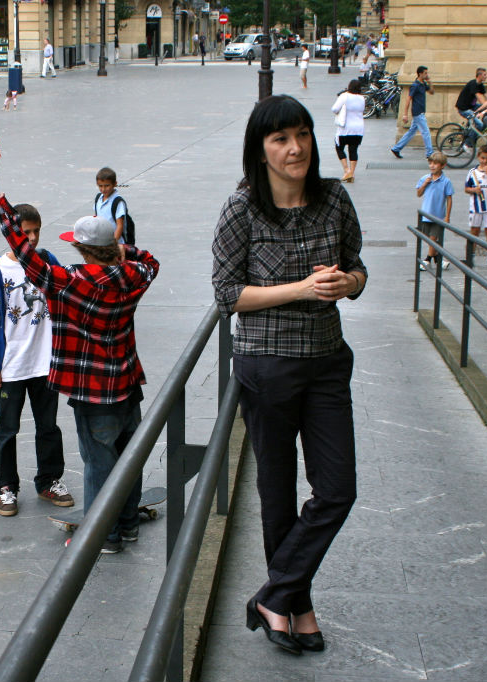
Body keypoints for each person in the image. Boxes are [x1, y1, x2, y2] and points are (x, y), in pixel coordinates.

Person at [211, 95, 366, 656]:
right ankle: (295, 606)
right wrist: (300, 289)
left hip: (326, 361)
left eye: (301, 134)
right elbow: (227, 294)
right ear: (260, 150)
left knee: (337, 490)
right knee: (277, 491)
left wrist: (347, 285)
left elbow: (358, 267)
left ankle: (274, 594)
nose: (295, 148)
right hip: (267, 366)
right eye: (280, 139)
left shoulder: (334, 198)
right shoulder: (242, 209)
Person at [0, 202, 159, 554]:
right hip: (127, 384)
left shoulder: (72, 281)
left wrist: (4, 212)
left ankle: (103, 536)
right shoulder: (133, 275)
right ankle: (127, 524)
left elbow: (27, 258)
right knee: (128, 458)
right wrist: (123, 250)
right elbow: (151, 261)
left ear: (82, 249)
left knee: (99, 464)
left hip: (93, 391)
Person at [0, 202, 72, 517]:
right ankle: (5, 486)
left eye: (36, 231)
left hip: (45, 363)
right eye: (26, 232)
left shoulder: (47, 261)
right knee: (7, 429)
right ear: (12, 234)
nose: (31, 238)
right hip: (12, 367)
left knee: (48, 426)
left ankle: (49, 480)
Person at [415, 151, 453, 269]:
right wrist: (424, 184)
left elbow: (449, 198)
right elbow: (418, 194)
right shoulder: (424, 178)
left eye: (435, 164)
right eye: (430, 163)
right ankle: (438, 259)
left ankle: (427, 260)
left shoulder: (446, 181)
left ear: (442, 165)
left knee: (433, 238)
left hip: (438, 216)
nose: (432, 166)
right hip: (426, 214)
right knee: (428, 238)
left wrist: (447, 216)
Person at [464, 145, 487, 269]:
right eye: (483, 158)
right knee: (474, 231)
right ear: (478, 157)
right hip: (475, 207)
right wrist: (474, 190)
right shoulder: (472, 172)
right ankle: (470, 256)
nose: (485, 161)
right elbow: (466, 189)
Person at [391, 65, 434, 159]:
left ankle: (396, 148)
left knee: (411, 132)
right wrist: (405, 114)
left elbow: (431, 92)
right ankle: (430, 153)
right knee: (426, 132)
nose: (427, 74)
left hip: (420, 112)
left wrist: (430, 82)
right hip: (418, 112)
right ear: (420, 74)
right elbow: (408, 99)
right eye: (425, 73)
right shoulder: (415, 85)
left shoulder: (423, 84)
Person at [332, 79, 366, 183]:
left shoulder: (344, 96)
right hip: (358, 128)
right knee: (353, 150)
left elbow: (334, 109)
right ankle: (352, 172)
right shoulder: (362, 98)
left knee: (339, 147)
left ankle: (346, 170)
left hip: (345, 128)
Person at [455, 68, 487, 151]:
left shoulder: (480, 84)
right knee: (480, 125)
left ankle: (474, 132)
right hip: (464, 109)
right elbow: (480, 98)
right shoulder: (473, 84)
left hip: (472, 106)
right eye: (484, 75)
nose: (486, 76)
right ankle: (467, 144)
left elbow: (486, 97)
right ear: (479, 75)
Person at [93, 167, 129, 243]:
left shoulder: (117, 202)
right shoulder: (98, 198)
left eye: (107, 186)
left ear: (115, 184)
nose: (103, 189)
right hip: (102, 241)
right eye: (100, 186)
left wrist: (112, 244)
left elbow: (120, 226)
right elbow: (96, 217)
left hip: (116, 244)